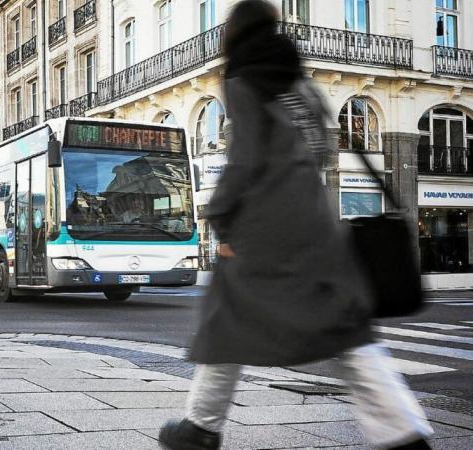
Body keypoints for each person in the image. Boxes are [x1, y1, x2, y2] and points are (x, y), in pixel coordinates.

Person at [158, 2, 432, 450]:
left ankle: (200, 427)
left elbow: (245, 158)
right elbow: (321, 146)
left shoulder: (245, 76)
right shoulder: (299, 79)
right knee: (345, 327)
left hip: (263, 229)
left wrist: (222, 218)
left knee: (225, 323)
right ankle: (404, 431)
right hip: (315, 223)